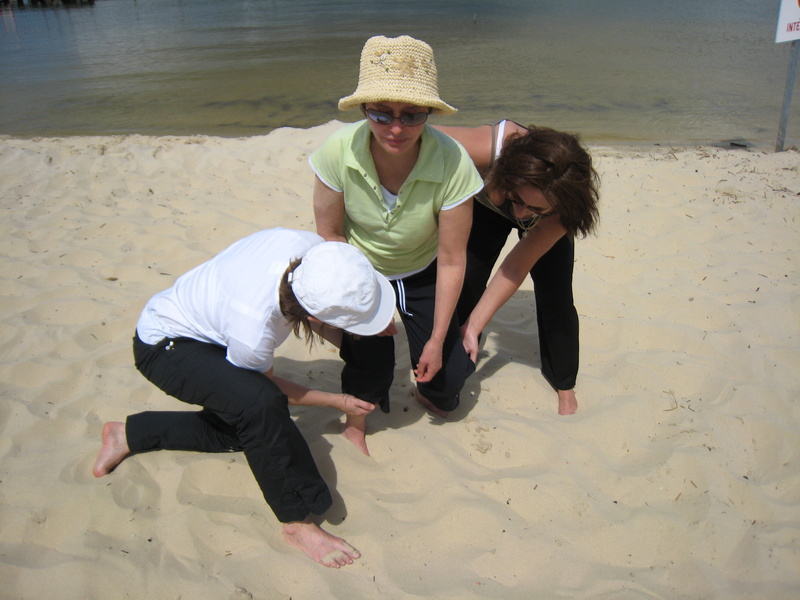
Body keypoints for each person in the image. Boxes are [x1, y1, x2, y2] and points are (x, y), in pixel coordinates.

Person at [92, 228, 396, 568]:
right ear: (312, 317)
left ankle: (128, 434)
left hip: (219, 325)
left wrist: (366, 329)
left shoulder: (312, 251)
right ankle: (296, 524)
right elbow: (271, 390)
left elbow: (315, 312)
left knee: (370, 339)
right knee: (259, 408)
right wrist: (336, 401)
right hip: (165, 345)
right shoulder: (254, 328)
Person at [310, 35, 484, 424]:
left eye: (412, 115)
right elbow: (331, 237)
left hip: (423, 268)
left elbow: (452, 259)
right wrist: (361, 302)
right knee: (370, 372)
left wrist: (437, 340)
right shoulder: (337, 151)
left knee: (445, 386)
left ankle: (444, 357)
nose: (395, 128)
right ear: (364, 109)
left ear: (429, 112)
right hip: (362, 267)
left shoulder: (453, 162)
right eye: (381, 114)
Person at [433, 121, 599, 415]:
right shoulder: (485, 149)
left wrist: (476, 324)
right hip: (486, 208)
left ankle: (563, 381)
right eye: (519, 200)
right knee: (466, 284)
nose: (521, 214)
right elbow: (410, 133)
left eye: (534, 208)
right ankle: (451, 370)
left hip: (548, 217)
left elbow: (516, 266)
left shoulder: (564, 209)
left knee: (556, 296)